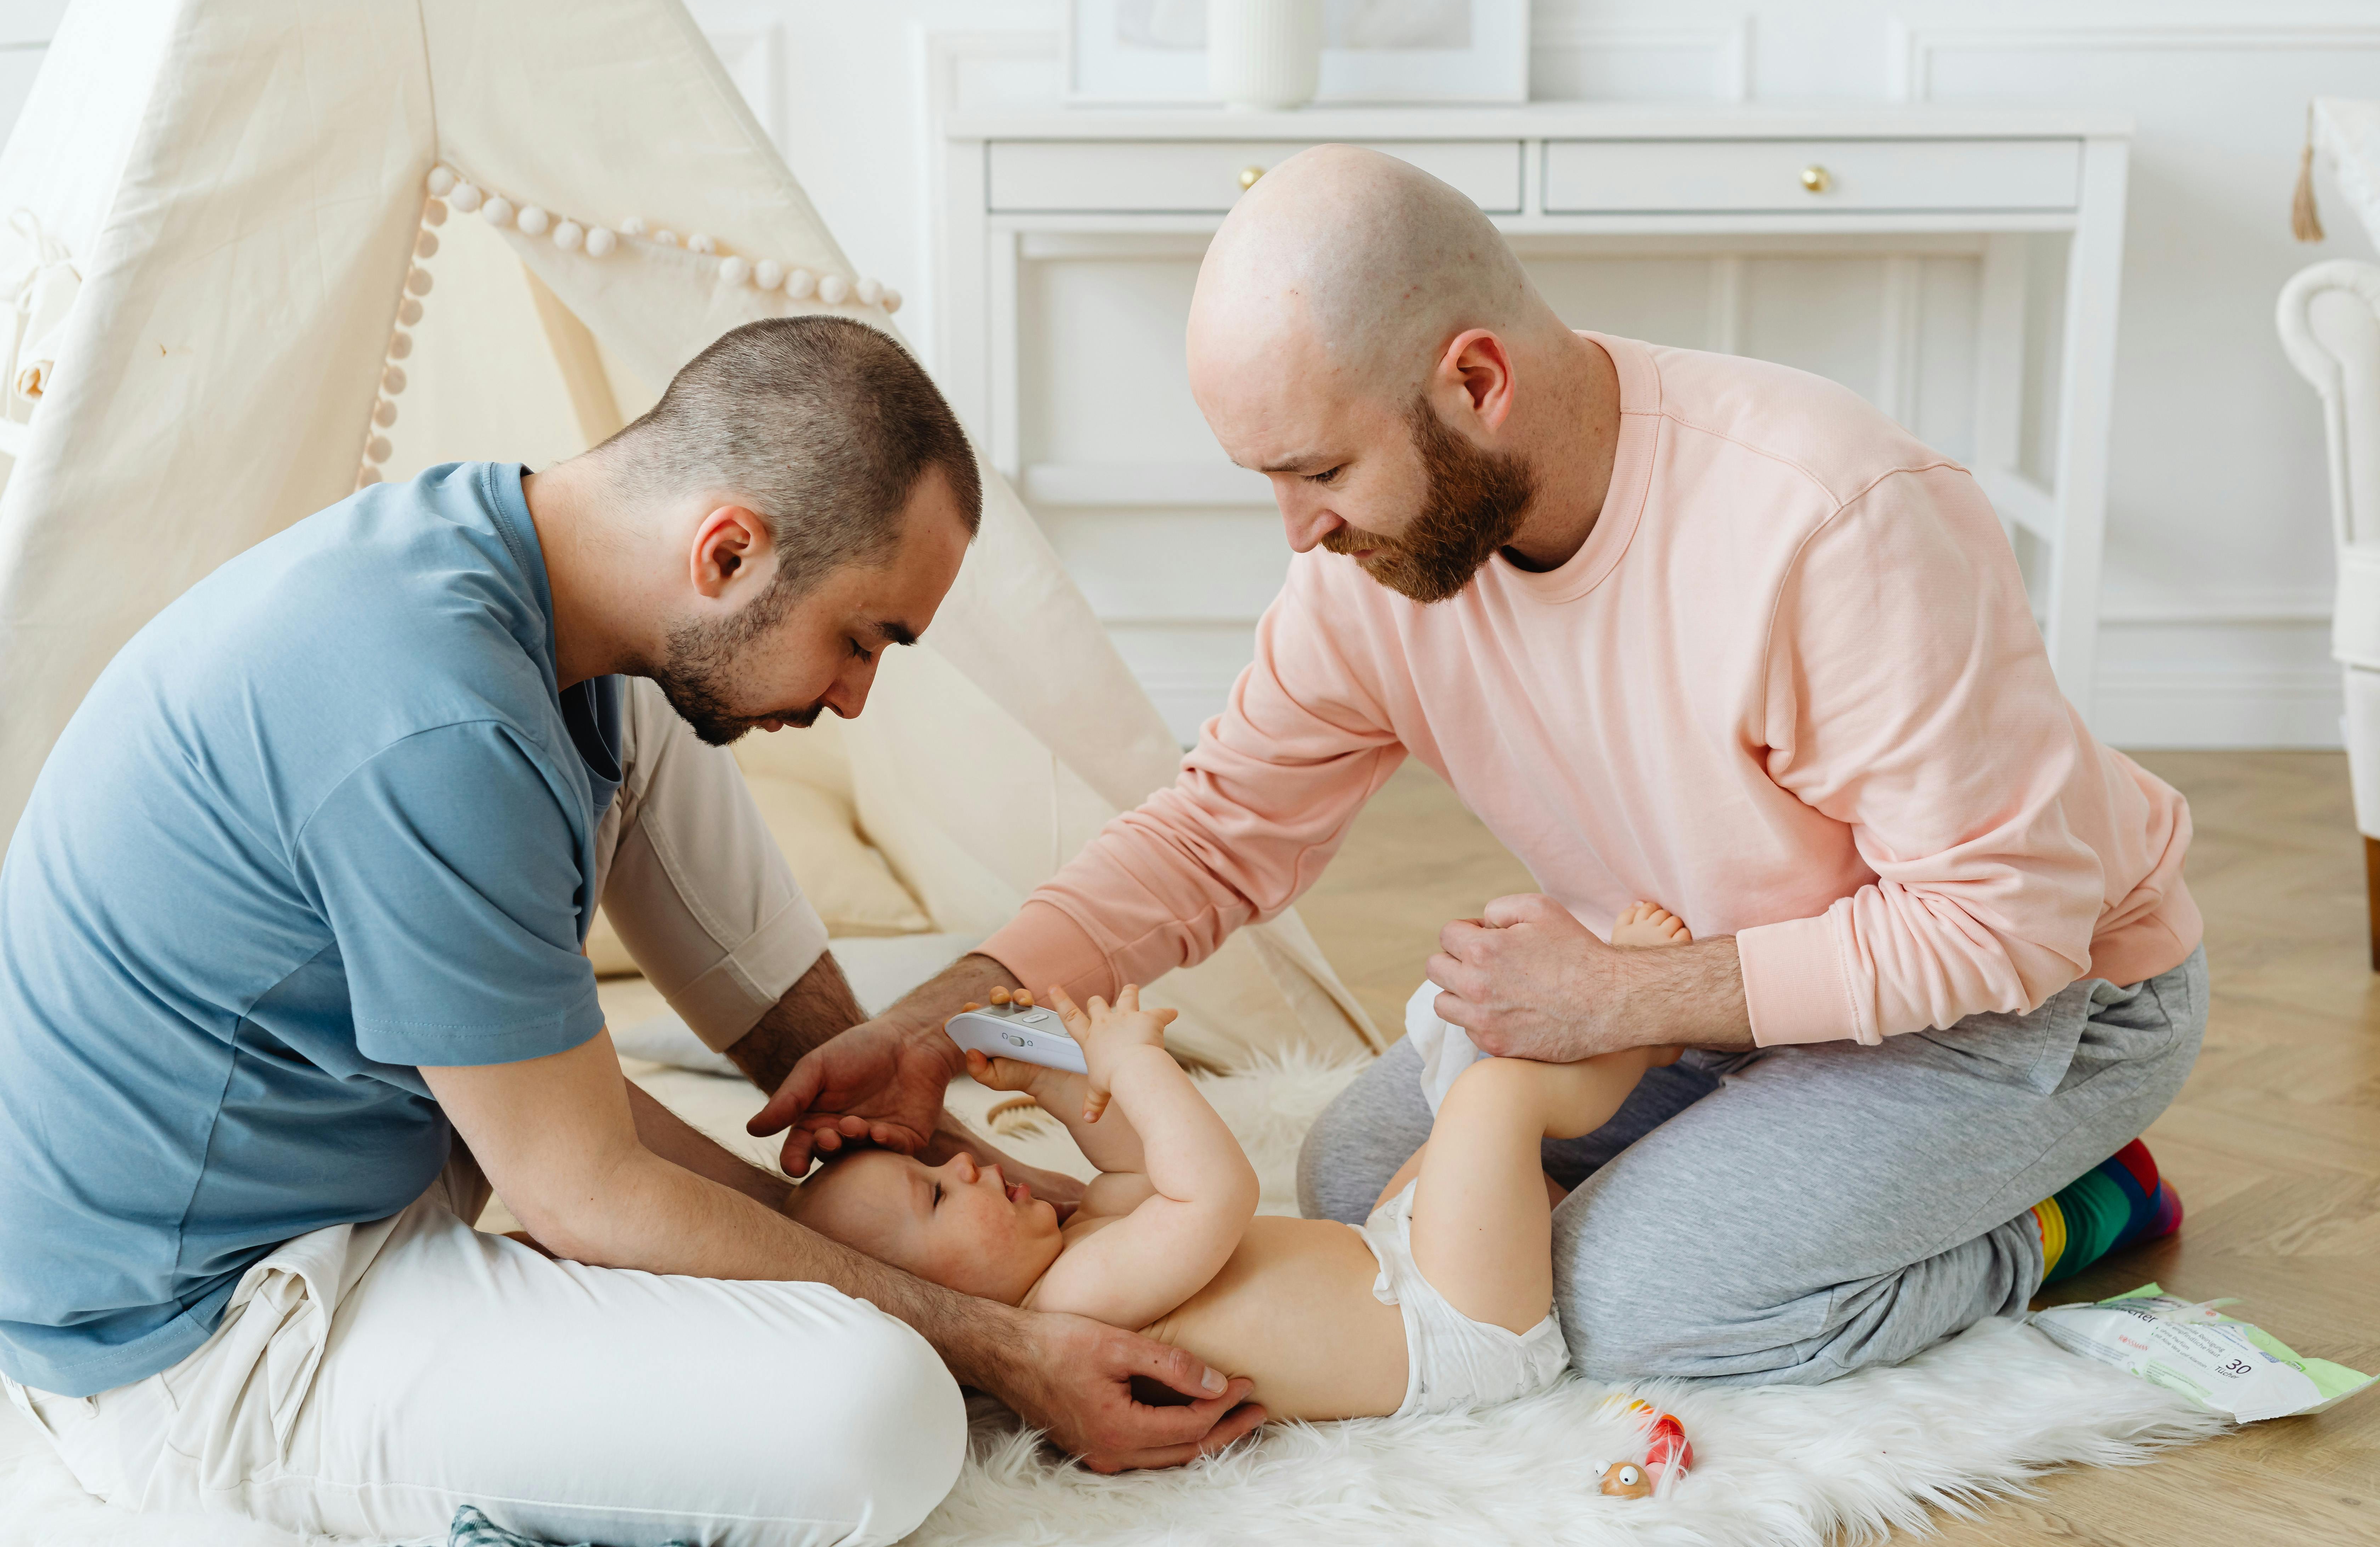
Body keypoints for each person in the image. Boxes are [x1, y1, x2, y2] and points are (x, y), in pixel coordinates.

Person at [756, 147, 2209, 1389]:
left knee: (1629, 1303)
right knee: (1349, 1182)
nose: (1297, 533)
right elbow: (1216, 837)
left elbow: (2004, 925)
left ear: (1476, 380)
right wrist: (958, 1009)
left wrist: (1621, 997)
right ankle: (1771, 1157)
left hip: (2046, 998)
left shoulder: (1833, 521)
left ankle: (2069, 1208)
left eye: (1319, 471)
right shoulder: (1372, 574)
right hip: (1714, 999)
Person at [0, 317, 1258, 1547]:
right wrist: (1003, 1346)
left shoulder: (503, 558)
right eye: (861, 639)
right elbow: (575, 1190)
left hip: (366, 1161)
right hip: (193, 1337)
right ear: (727, 552)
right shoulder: (442, 727)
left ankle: (870, 1111)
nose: (857, 697)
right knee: (886, 1414)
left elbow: (565, 1131)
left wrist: (895, 1187)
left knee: (658, 711)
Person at [795, 904, 2182, 1424]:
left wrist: (1056, 1076)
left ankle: (1681, 1043)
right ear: (939, 1319)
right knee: (1499, 1099)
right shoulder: (1068, 1309)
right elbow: (1208, 1193)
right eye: (933, 1198)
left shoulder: (1075, 1248)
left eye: (943, 1158)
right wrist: (1148, 1073)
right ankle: (1647, 1017)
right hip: (1449, 1327)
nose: (970, 1168)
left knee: (1441, 1115)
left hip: (1399, 1272)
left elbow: (1118, 1157)